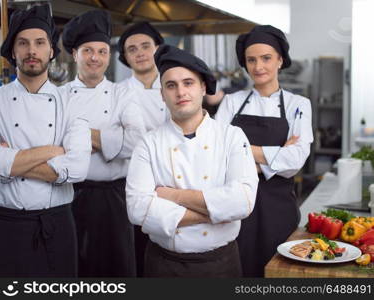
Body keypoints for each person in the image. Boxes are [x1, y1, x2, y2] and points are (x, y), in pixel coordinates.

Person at [126, 44, 259, 277]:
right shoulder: (148, 144)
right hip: (163, 265)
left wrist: (174, 196)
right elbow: (138, 209)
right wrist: (217, 212)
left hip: (221, 263)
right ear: (162, 94)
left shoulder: (231, 137)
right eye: (171, 85)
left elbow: (243, 201)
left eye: (188, 83)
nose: (180, 92)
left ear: (203, 87)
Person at [0, 4, 91, 277]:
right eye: (23, 43)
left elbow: (77, 169)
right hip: (7, 225)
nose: (31, 51)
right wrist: (52, 151)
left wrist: (11, 162)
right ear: (13, 52)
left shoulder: (71, 100)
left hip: (58, 223)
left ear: (51, 51)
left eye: (40, 43)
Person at [215, 25, 313, 277]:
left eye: (266, 58)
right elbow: (218, 154)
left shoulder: (298, 104)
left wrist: (242, 152)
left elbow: (295, 160)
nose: (258, 66)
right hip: (236, 206)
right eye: (252, 60)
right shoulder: (232, 101)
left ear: (280, 60)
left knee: (278, 272)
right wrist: (275, 154)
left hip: (278, 208)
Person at [61, 10, 145, 277]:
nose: (95, 58)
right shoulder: (58, 96)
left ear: (108, 57)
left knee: (116, 266)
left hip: (114, 198)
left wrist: (76, 134)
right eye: (87, 50)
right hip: (68, 196)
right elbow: (50, 144)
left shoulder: (123, 93)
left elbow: (136, 142)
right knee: (74, 267)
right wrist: (109, 137)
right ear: (75, 54)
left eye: (101, 51)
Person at [117, 21, 168, 276]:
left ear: (157, 48)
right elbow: (115, 142)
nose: (140, 53)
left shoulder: (175, 86)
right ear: (125, 57)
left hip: (174, 186)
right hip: (133, 187)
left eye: (145, 46)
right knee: (136, 257)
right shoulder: (118, 93)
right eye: (132, 49)